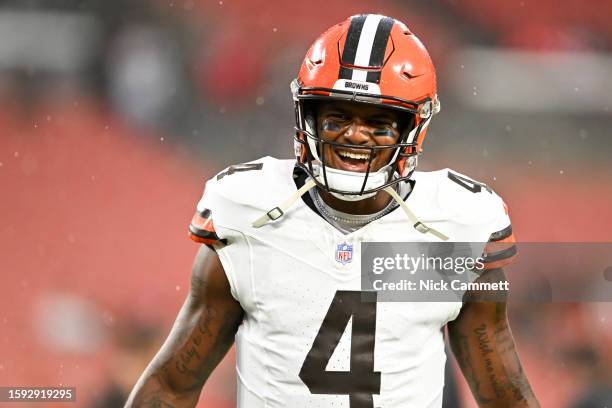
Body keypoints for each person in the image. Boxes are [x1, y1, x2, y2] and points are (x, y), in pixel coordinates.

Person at [125, 14, 539, 408]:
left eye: (379, 123)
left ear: (413, 127)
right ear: (308, 116)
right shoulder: (249, 215)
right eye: (337, 116)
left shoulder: (457, 224)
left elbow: (503, 395)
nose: (354, 134)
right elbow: (173, 384)